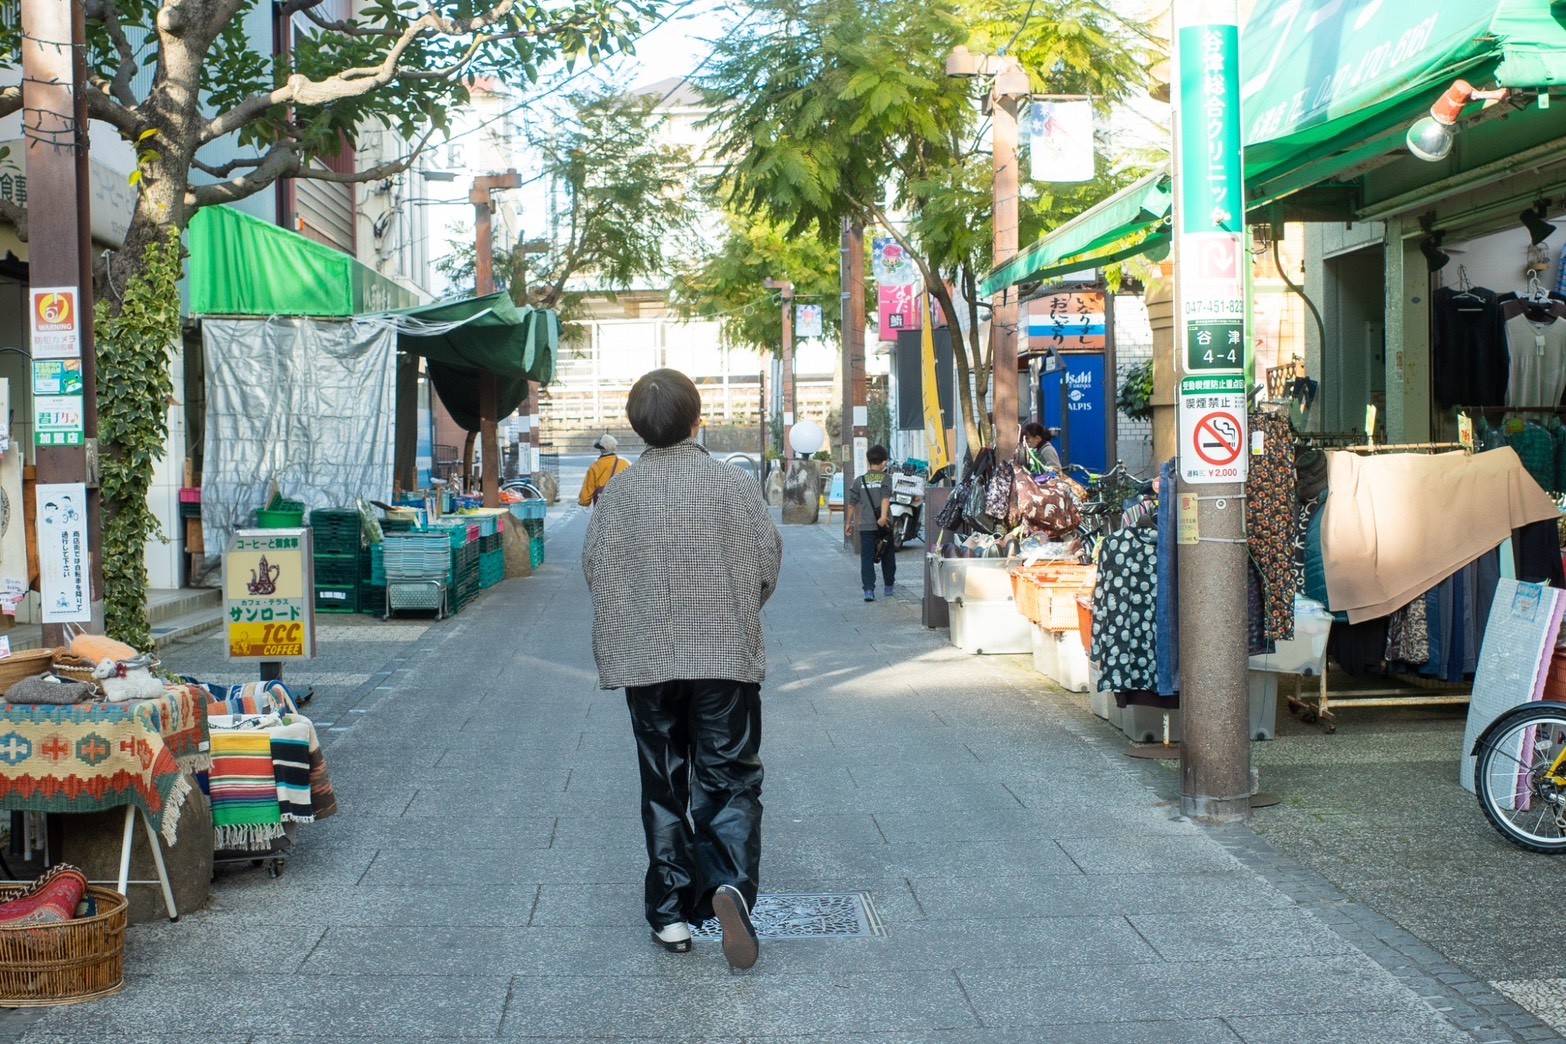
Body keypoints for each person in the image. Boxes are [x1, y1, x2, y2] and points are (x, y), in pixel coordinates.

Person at [582, 368, 783, 971]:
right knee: (730, 778)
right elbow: (763, 567)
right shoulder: (732, 486)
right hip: (723, 657)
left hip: (647, 662)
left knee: (663, 781)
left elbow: (600, 576)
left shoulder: (619, 493)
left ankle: (670, 913)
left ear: (638, 428)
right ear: (699, 419)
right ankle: (728, 887)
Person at [845, 445, 895, 601]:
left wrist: (848, 524)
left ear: (868, 461)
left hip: (866, 525)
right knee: (887, 555)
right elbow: (886, 498)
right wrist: (883, 517)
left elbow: (852, 503)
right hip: (884, 525)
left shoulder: (860, 481)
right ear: (884, 462)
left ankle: (868, 590)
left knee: (866, 558)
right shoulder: (886, 478)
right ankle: (888, 586)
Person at [577, 434, 629, 507]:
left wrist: (584, 502)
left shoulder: (595, 466)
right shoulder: (625, 464)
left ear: (602, 450)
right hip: (622, 506)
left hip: (602, 508)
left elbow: (585, 496)